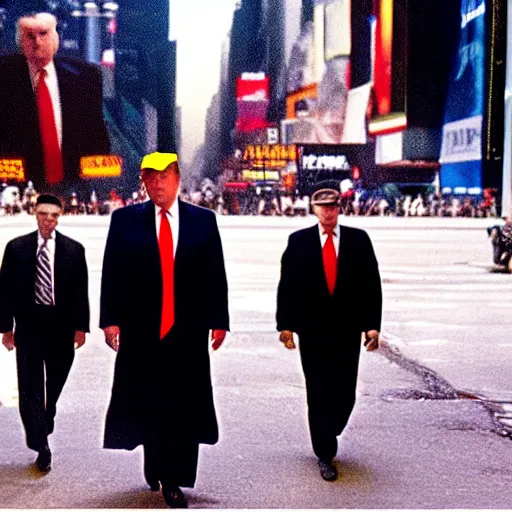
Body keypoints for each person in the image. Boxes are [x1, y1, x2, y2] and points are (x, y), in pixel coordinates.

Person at [100, 152, 229, 508]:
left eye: (164, 176)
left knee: (183, 403)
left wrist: (219, 320)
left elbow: (215, 274)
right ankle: (155, 462)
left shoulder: (203, 221)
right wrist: (110, 320)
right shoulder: (125, 221)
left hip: (187, 330)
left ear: (177, 178)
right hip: (142, 331)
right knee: (149, 401)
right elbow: (112, 272)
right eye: (150, 177)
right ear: (143, 181)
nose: (158, 183)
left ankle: (175, 479)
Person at [276, 180, 382, 482]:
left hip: (347, 330)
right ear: (314, 209)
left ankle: (329, 427)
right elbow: (288, 286)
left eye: (333, 207)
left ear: (340, 208)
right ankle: (324, 452)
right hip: (313, 331)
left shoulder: (359, 240)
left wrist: (372, 325)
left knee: (345, 393)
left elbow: (370, 285)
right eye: (323, 207)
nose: (328, 212)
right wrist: (285, 325)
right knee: (319, 391)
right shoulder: (299, 242)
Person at [0, 194, 89, 472]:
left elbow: (80, 292)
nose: (49, 219)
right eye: (43, 214)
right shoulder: (16, 248)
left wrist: (81, 327)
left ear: (59, 217)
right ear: (35, 213)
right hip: (29, 326)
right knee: (29, 387)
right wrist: (6, 328)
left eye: (54, 215)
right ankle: (41, 444)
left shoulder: (74, 250)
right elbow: (4, 292)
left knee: (56, 381)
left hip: (61, 327)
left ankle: (46, 416)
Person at [0, 12, 110, 195]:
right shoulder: (4, 77)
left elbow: (98, 140)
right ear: (20, 41)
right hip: (13, 189)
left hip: (75, 189)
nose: (37, 41)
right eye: (30, 36)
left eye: (43, 34)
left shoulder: (86, 76)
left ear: (55, 38)